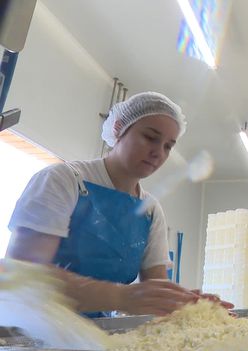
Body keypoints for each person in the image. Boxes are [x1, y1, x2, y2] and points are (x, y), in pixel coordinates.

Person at [6, 91, 232, 317]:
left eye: (168, 146)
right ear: (118, 129)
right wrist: (122, 297)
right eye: (150, 137)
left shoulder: (150, 211)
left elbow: (156, 290)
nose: (158, 153)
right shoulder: (63, 180)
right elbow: (24, 273)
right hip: (28, 331)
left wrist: (189, 304)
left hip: (95, 337)